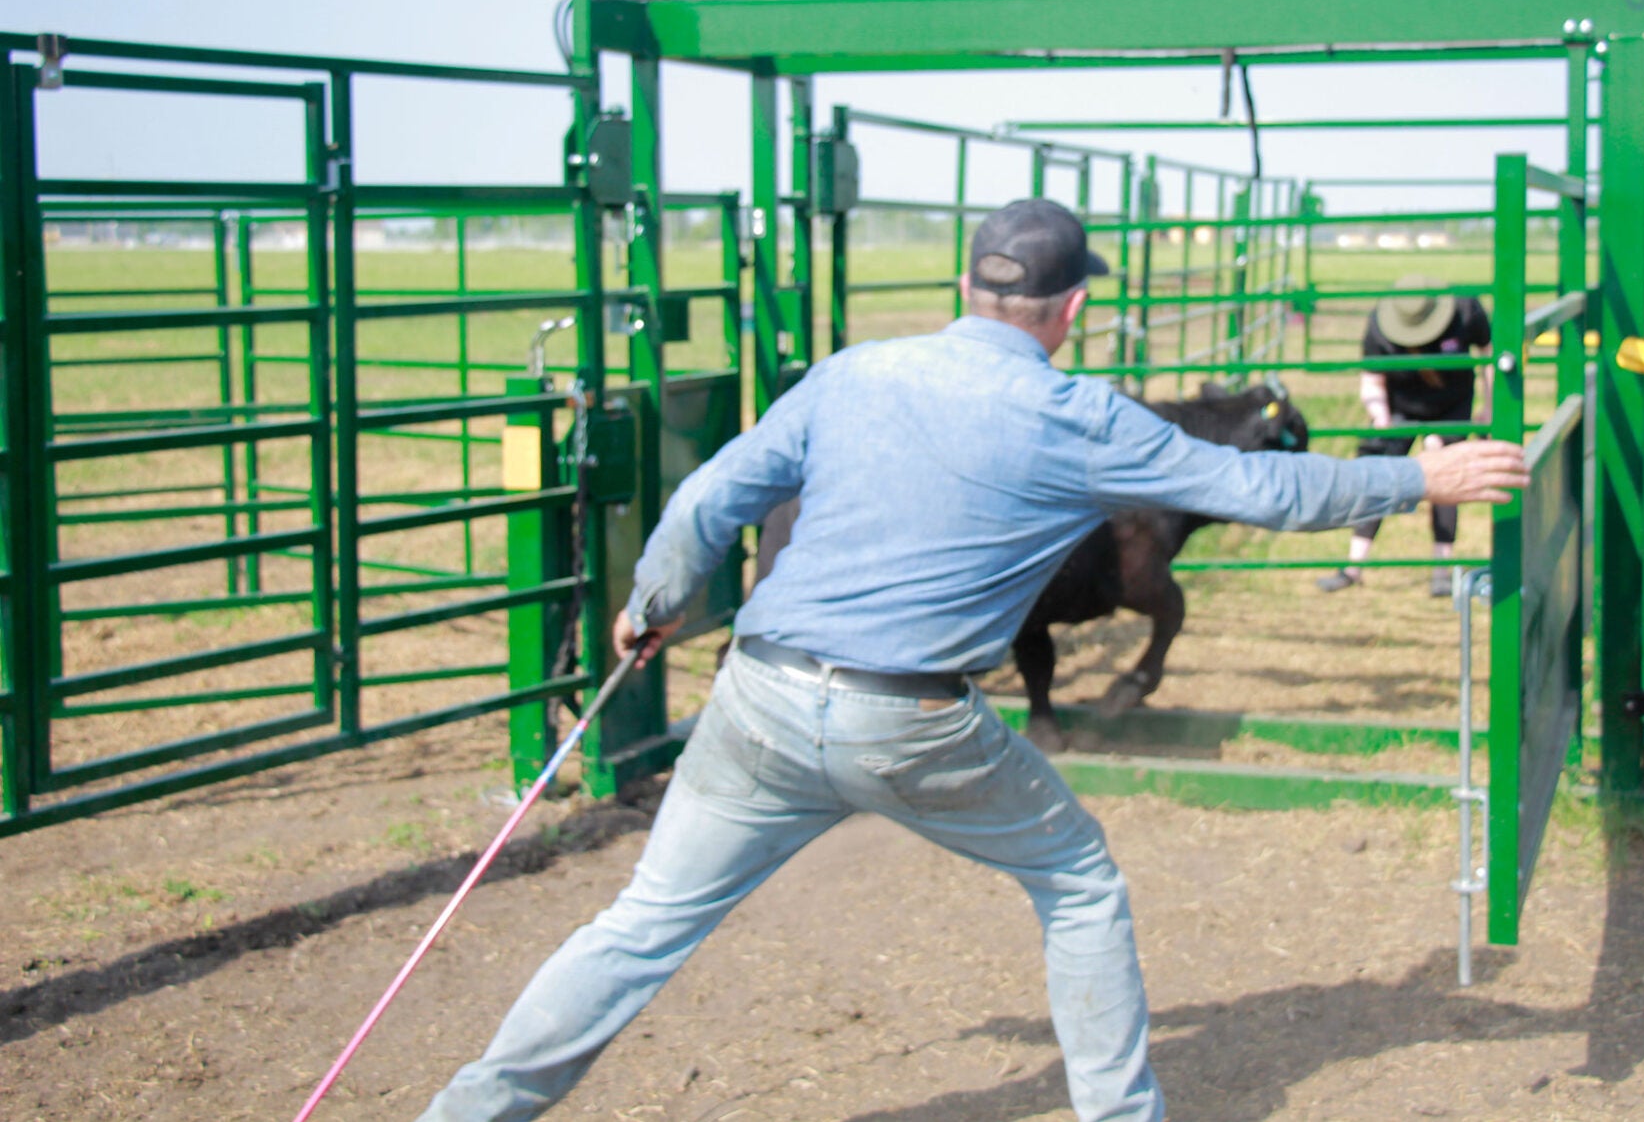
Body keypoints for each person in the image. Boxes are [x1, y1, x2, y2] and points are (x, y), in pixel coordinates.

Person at [418, 200, 1527, 1122]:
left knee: (640, 925)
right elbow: (1259, 489)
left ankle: (470, 1112)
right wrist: (1409, 483)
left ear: (967, 286)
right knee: (1079, 883)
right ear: (1073, 308)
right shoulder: (1077, 414)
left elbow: (712, 494)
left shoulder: (852, 373)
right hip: (909, 719)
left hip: (755, 694)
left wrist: (652, 602)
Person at [1317, 276, 1492, 598]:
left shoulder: (1466, 310)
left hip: (1452, 401)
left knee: (1445, 475)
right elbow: (1371, 379)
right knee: (1381, 477)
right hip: (1401, 405)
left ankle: (1442, 570)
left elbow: (1489, 352)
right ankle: (1353, 567)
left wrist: (1489, 405)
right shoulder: (1379, 327)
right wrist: (1381, 420)